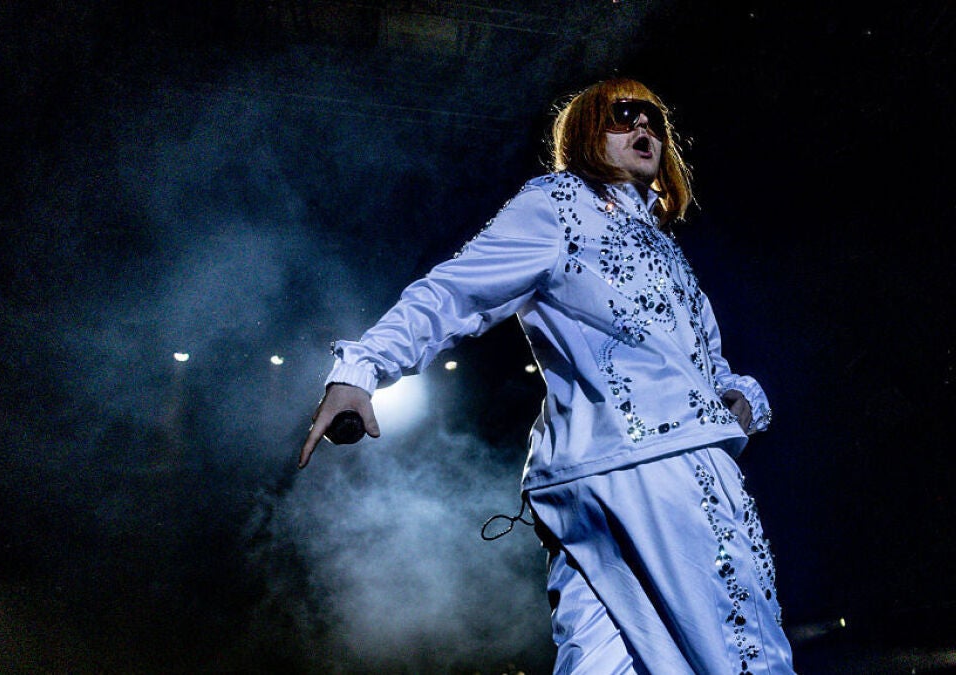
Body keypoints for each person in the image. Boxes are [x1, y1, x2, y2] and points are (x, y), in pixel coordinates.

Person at [299, 78, 795, 674]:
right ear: (585, 133)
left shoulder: (666, 249)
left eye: (654, 119)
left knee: (602, 665)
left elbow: (708, 366)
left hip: (589, 479)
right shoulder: (559, 203)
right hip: (662, 471)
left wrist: (738, 397)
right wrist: (362, 367)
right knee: (743, 654)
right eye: (623, 114)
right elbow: (457, 290)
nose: (643, 126)